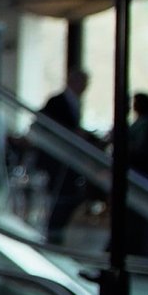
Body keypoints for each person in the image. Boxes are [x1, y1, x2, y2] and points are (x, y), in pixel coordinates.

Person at [32, 68, 102, 244]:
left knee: (66, 199)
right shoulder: (57, 101)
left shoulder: (73, 102)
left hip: (66, 162)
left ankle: (56, 236)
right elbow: (49, 126)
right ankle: (52, 236)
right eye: (83, 83)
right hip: (57, 161)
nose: (85, 87)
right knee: (60, 198)